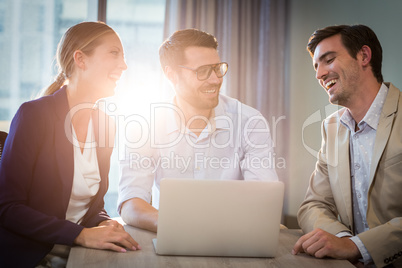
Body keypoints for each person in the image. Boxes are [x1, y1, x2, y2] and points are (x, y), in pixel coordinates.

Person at [0, 21, 141, 268]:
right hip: (32, 256)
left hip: (78, 254)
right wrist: (81, 234)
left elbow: (93, 206)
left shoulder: (105, 124)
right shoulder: (33, 115)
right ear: (81, 59)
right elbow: (8, 207)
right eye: (114, 53)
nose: (124, 65)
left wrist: (102, 222)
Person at [118, 28, 279, 233]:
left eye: (217, 68)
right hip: (171, 234)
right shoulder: (144, 126)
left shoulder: (250, 122)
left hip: (233, 237)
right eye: (202, 71)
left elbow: (263, 198)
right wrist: (176, 226)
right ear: (171, 74)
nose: (215, 79)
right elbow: (131, 203)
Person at [292, 24, 402, 267]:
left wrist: (358, 247)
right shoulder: (331, 128)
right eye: (316, 67)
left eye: (328, 60)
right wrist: (342, 240)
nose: (319, 74)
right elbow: (313, 205)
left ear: (364, 55)